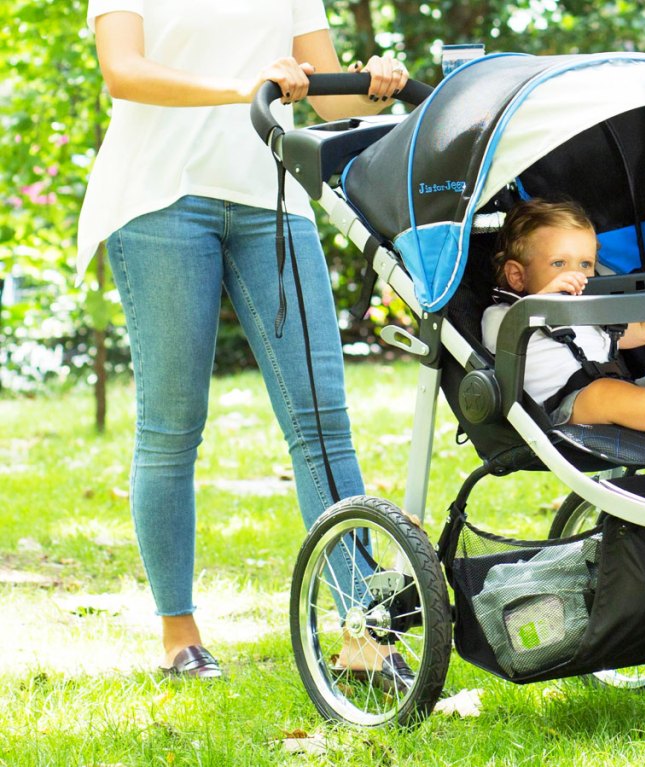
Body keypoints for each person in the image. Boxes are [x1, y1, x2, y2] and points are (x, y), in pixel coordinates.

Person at [78, 0, 411, 683]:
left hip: (274, 201)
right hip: (159, 199)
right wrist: (240, 87)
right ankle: (179, 632)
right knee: (173, 425)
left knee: (323, 423)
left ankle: (360, 632)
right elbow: (123, 70)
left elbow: (324, 102)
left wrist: (370, 82)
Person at [481, 199, 645, 466]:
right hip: (560, 410)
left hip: (622, 393)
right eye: (559, 263)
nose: (576, 275)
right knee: (603, 393)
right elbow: (506, 342)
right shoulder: (502, 315)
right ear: (517, 276)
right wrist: (547, 300)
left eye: (585, 264)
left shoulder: (594, 313)